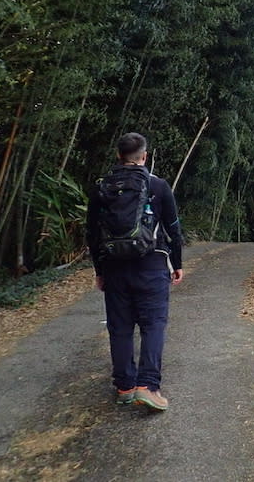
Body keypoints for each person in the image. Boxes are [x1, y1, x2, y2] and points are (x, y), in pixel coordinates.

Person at [87, 132, 184, 411]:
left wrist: (100, 270)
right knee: (153, 324)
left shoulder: (102, 188)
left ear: (119, 156)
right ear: (144, 157)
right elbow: (173, 230)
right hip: (152, 266)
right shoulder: (158, 186)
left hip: (115, 268)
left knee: (120, 328)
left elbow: (92, 234)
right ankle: (148, 386)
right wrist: (177, 264)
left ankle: (125, 387)